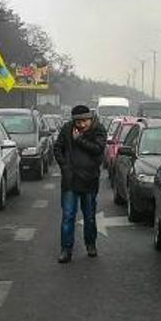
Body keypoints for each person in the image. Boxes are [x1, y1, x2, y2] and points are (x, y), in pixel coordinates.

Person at [53, 104, 106, 263]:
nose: (82, 125)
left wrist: (80, 139)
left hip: (89, 180)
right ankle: (66, 250)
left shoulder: (98, 129)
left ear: (90, 119)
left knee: (89, 216)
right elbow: (57, 148)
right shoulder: (67, 129)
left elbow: (98, 149)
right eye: (78, 122)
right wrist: (65, 167)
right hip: (70, 181)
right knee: (68, 216)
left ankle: (90, 244)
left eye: (85, 121)